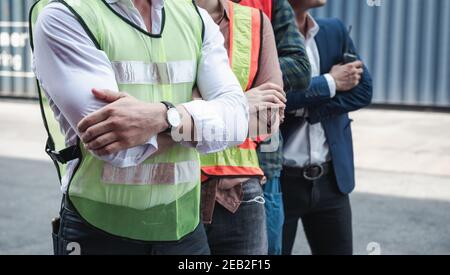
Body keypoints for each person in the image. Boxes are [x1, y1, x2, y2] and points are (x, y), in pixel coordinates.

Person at [30, 0, 249, 255]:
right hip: (99, 231)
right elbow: (115, 147)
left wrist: (165, 116)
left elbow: (237, 123)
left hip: (184, 228)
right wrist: (200, 114)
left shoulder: (195, 18)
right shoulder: (67, 15)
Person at [281, 0, 373, 255]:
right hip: (280, 181)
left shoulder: (334, 30)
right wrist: (330, 82)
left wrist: (306, 109)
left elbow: (363, 92)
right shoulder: (266, 35)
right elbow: (273, 96)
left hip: (331, 179)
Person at [196, 0, 284, 255]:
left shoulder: (254, 21)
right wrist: (241, 104)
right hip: (174, 186)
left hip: (239, 190)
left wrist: (193, 109)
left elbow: (269, 116)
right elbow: (161, 112)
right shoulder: (159, 17)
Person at [236, 0, 311, 255]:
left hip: (261, 161)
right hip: (194, 161)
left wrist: (232, 78)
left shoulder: (270, 3)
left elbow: (301, 69)